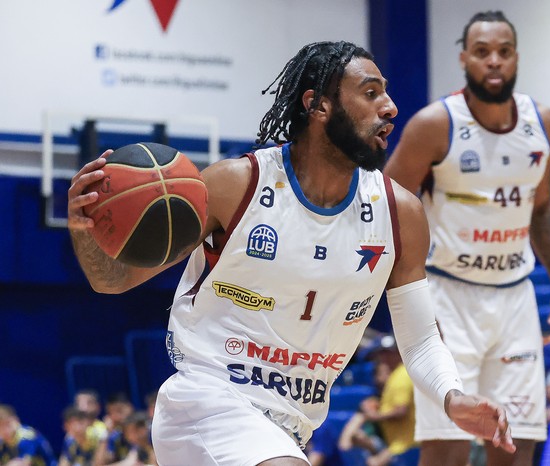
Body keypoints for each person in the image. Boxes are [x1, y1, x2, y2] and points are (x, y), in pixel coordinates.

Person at [67, 40, 515, 465]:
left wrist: (452, 396)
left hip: (291, 427)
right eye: (371, 92)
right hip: (205, 404)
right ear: (318, 105)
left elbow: (418, 339)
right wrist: (84, 227)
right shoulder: (235, 186)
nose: (391, 107)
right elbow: (112, 279)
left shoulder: (401, 214)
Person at [383, 10, 550, 466]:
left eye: (504, 53)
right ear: (464, 58)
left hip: (515, 297)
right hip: (449, 296)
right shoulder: (435, 125)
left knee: (516, 444)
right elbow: (386, 204)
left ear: (517, 59)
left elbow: (541, 207)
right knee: (447, 447)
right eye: (483, 52)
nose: (494, 62)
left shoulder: (543, 124)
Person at [339, 334, 418, 466]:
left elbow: (401, 411)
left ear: (399, 352)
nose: (384, 358)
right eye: (382, 353)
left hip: (406, 445)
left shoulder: (402, 374)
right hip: (399, 443)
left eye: (389, 353)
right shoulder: (397, 375)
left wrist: (374, 416)